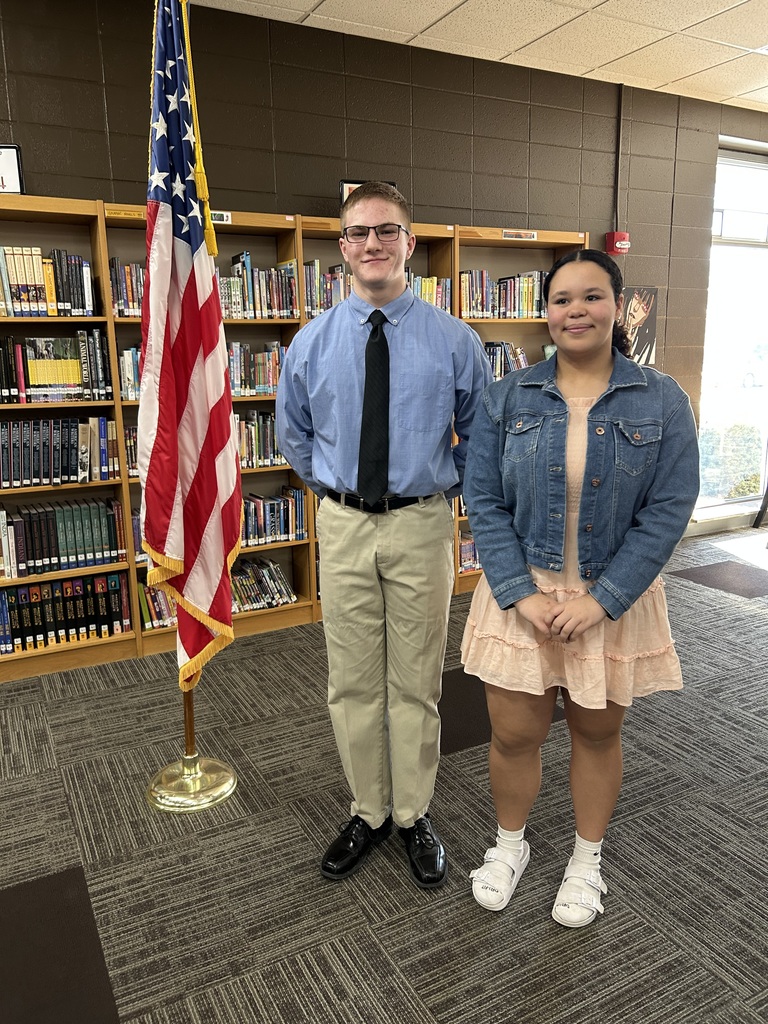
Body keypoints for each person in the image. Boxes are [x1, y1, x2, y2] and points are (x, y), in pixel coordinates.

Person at [461, 249, 699, 927]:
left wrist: (604, 598)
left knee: (597, 733)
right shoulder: (507, 396)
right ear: (545, 313)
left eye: (592, 296)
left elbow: (670, 506)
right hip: (522, 595)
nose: (577, 310)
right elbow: (482, 498)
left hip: (610, 597)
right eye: (562, 299)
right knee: (512, 735)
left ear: (617, 307)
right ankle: (510, 847)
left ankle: (585, 859)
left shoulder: (662, 399)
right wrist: (519, 592)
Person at [276, 181, 492, 889]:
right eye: (360, 233)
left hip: (421, 523)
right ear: (342, 249)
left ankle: (413, 812)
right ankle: (368, 810)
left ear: (409, 243)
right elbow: (295, 437)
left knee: (418, 678)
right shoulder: (310, 342)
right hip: (340, 525)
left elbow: (480, 434)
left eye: (388, 231)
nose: (373, 244)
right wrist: (338, 494)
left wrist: (438, 487)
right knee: (352, 680)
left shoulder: (453, 340)